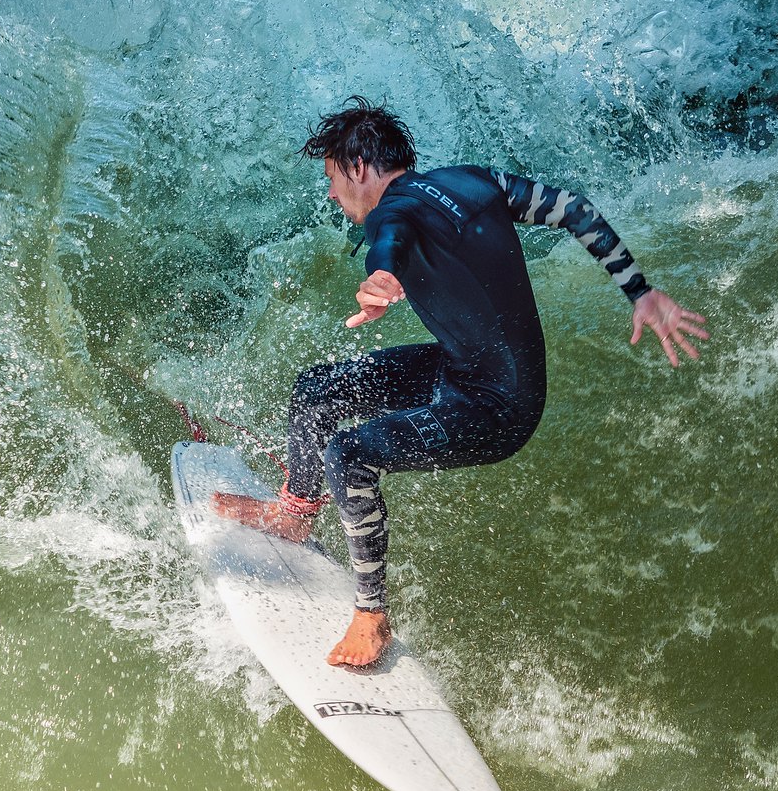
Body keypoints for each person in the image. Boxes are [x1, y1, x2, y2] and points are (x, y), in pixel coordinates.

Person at [213, 99, 708, 668]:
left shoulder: (389, 210)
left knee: (348, 454)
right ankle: (296, 513)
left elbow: (389, 240)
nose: (331, 195)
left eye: (331, 178)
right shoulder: (474, 181)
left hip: (497, 408)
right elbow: (572, 208)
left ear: (357, 168)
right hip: (465, 367)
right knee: (317, 392)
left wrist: (380, 275)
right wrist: (639, 291)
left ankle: (371, 616)